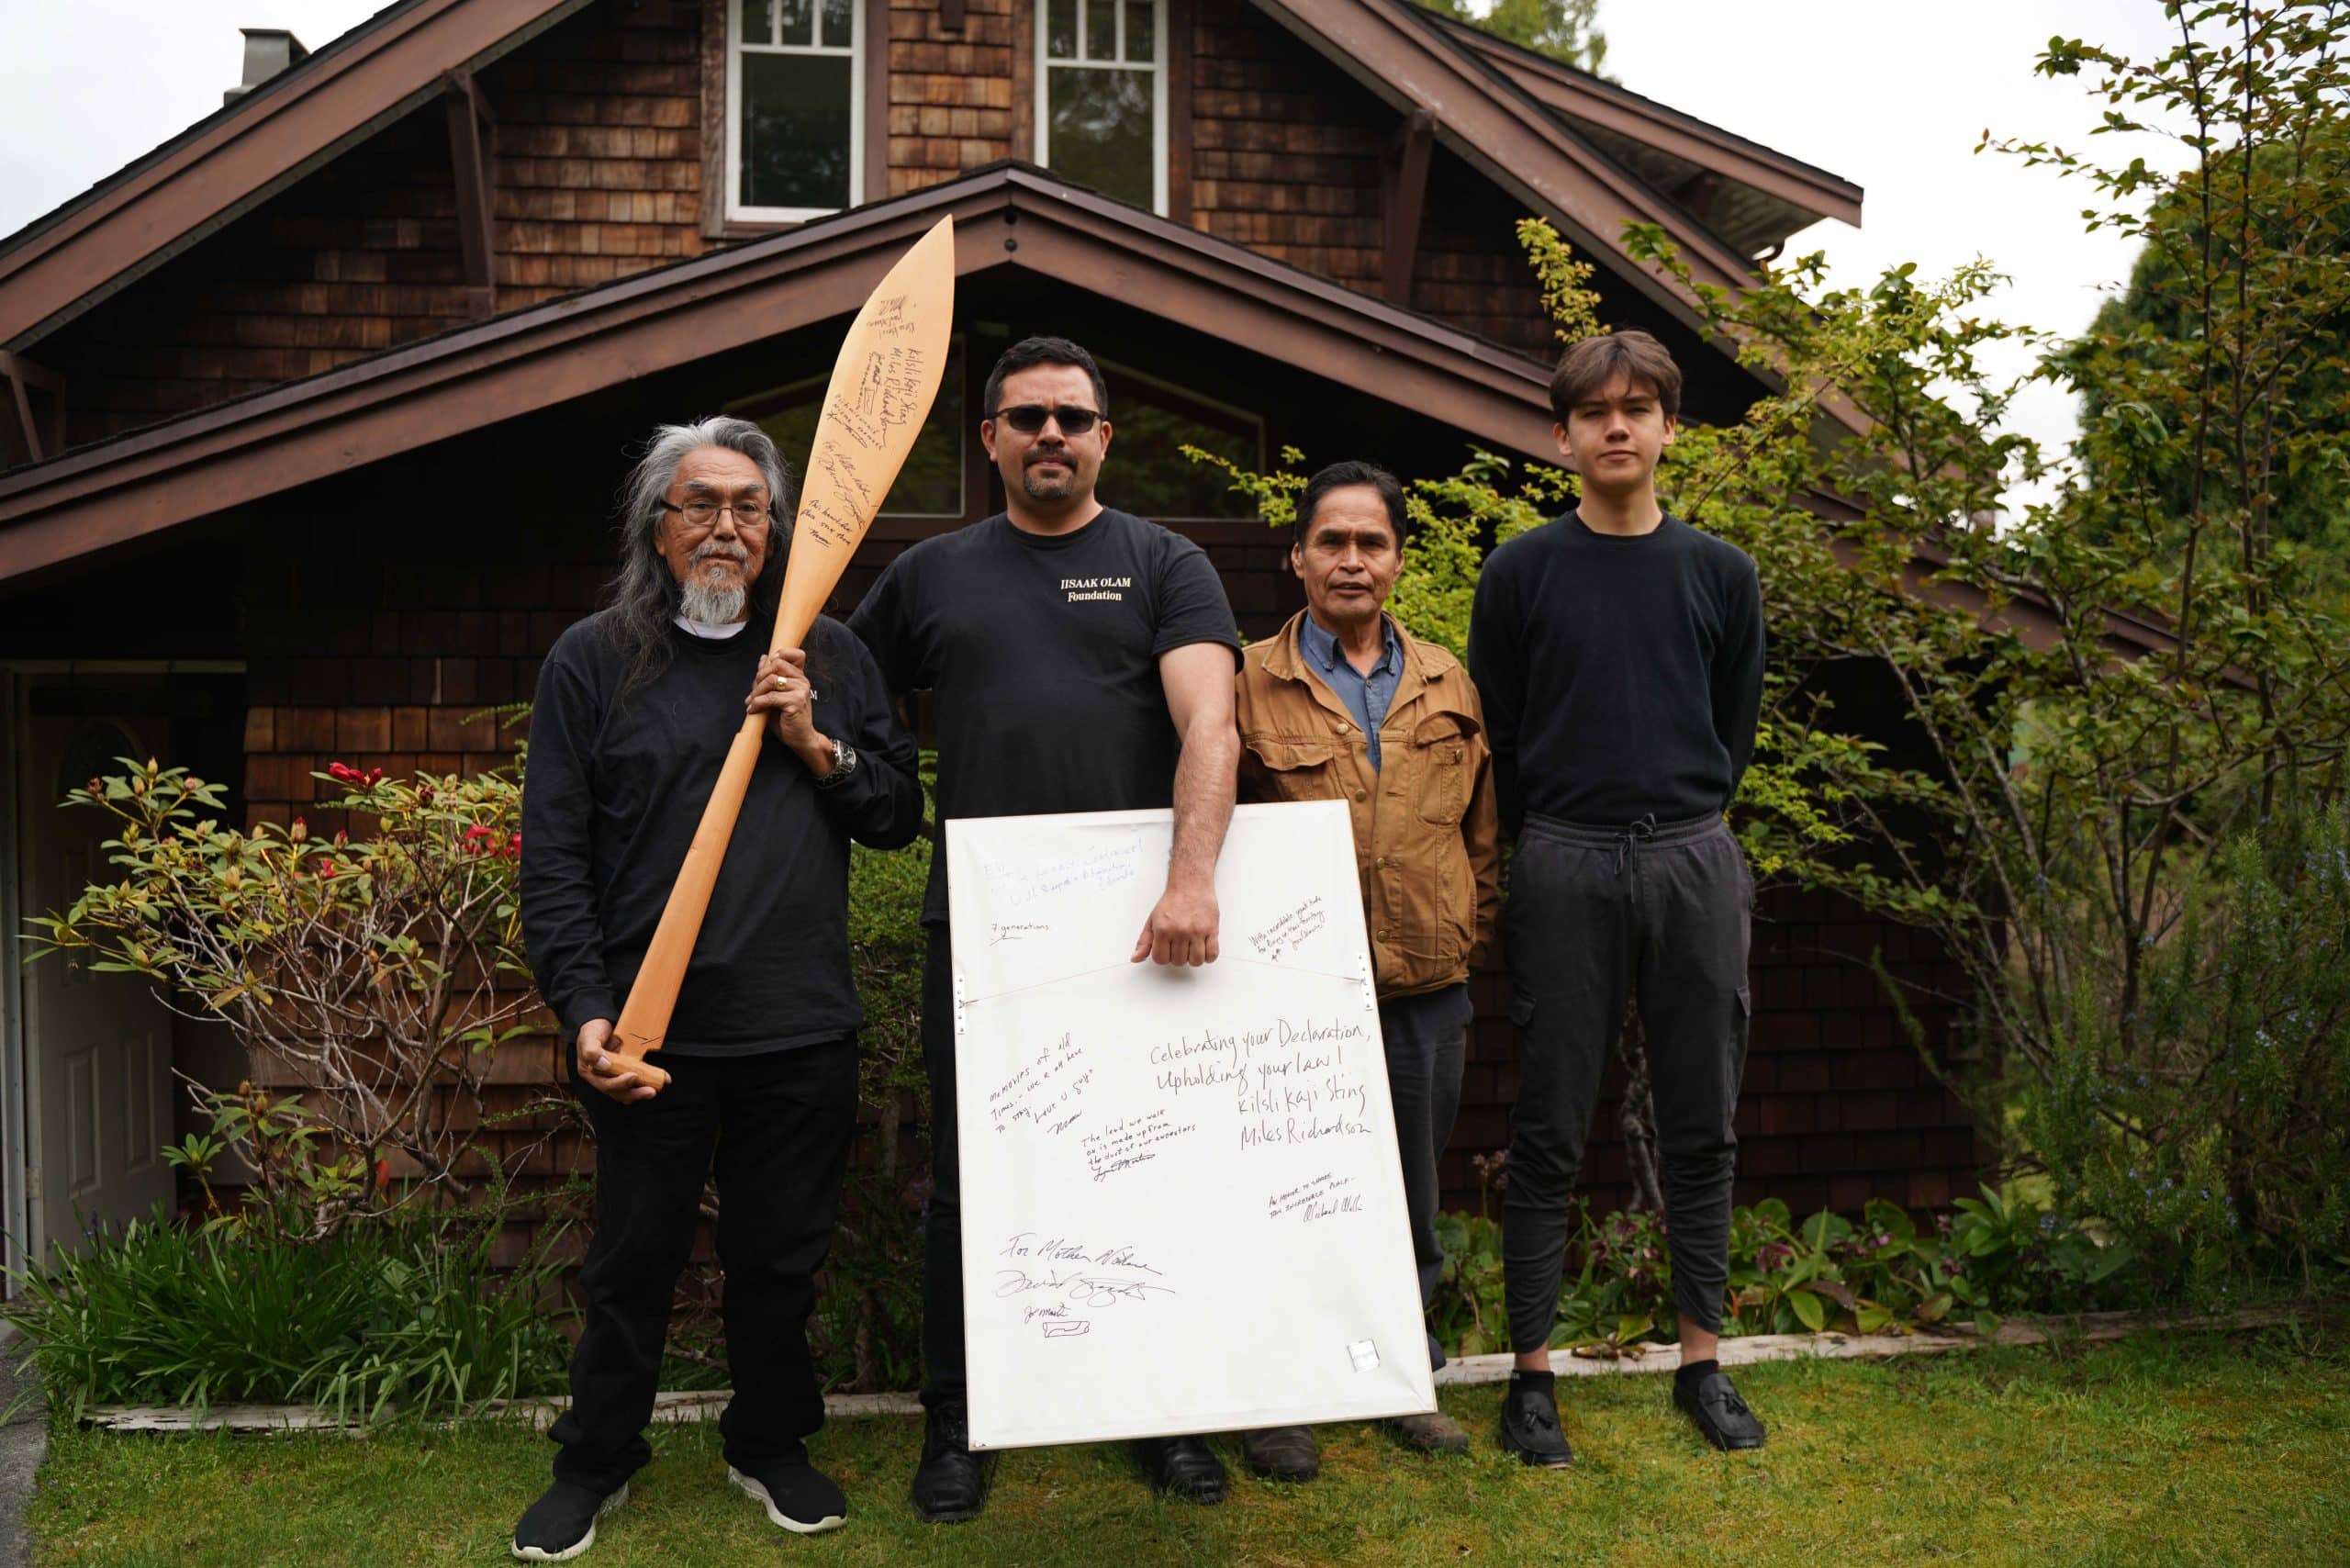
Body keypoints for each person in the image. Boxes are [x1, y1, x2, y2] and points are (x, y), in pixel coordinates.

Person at [513, 418, 923, 1560]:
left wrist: (812, 740)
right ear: (660, 525)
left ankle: (770, 1443)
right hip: (649, 1033)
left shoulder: (828, 656)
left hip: (800, 1026)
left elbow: (898, 814)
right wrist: (585, 1008)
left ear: (775, 528)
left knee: (779, 1260)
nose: (727, 528)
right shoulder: (594, 660)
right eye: (702, 504)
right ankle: (596, 1458)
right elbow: (553, 861)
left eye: (749, 507)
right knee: (632, 1260)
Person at [848, 335, 1243, 1520]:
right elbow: (842, 688)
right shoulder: (931, 577)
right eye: (1026, 419)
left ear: (1105, 438)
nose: (1051, 436)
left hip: (1140, 931)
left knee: (1147, 1172)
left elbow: (1210, 728)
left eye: (1073, 417)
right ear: (991, 441)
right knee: (975, 1181)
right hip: (981, 925)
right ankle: (958, 1422)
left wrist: (1190, 881)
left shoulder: (1164, 564)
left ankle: (1160, 1412)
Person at [1468, 330, 1768, 1466]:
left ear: (1668, 429)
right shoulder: (1521, 571)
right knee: (1548, 1123)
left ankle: (1703, 1363)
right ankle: (1530, 1377)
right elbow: (1502, 726)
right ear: (1562, 435)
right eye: (1595, 411)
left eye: (1638, 408)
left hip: (1692, 855)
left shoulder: (1720, 574)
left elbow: (1728, 728)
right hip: (1564, 859)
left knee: (1704, 1118)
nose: (1617, 427)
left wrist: (1683, 820)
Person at [1231, 460, 1499, 1481]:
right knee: (1286, 1195)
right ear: (1297, 557)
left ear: (1396, 558)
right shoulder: (1247, 677)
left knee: (1406, 1197)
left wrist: (1460, 930)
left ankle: (1398, 1377)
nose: (1351, 559)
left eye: (1370, 542)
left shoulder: (1446, 678)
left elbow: (1481, 832)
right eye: (1331, 541)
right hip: (1293, 1000)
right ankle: (1280, 1398)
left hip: (1427, 990)